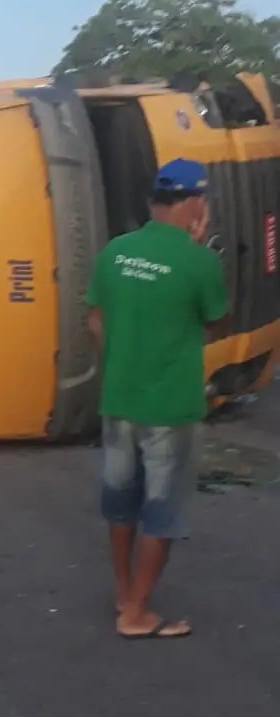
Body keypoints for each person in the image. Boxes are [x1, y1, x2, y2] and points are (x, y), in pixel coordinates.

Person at [86, 158, 229, 639]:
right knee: (161, 511)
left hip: (118, 399)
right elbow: (215, 322)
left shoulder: (114, 252)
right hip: (170, 406)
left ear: (154, 202)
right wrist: (195, 251)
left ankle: (124, 592)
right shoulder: (199, 261)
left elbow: (96, 321)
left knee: (120, 503)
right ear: (194, 204)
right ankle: (137, 614)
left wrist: (125, 360)